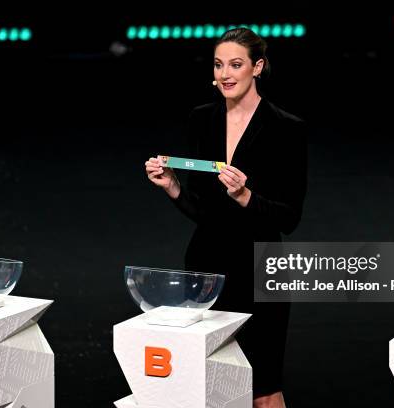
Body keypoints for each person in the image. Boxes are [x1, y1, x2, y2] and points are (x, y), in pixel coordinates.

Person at [145, 27, 307, 408]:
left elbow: (289, 217)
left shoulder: (286, 128)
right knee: (213, 384)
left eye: (236, 64)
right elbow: (205, 213)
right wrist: (172, 187)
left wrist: (245, 195)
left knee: (264, 390)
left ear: (258, 67)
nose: (226, 74)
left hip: (259, 268)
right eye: (219, 65)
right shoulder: (202, 119)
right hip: (207, 264)